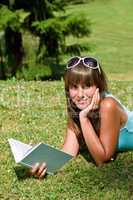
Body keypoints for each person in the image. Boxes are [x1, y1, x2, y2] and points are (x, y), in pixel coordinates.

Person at [30, 56, 133, 178]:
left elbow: (102, 159)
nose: (80, 95)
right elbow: (68, 152)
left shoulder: (108, 105)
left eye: (87, 86)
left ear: (98, 86)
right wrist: (42, 161)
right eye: (74, 87)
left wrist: (83, 119)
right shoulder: (76, 108)